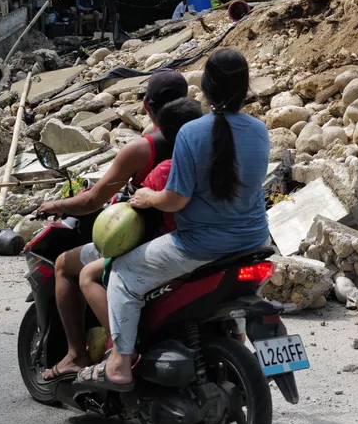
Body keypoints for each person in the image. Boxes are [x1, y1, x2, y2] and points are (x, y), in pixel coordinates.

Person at [76, 48, 270, 391]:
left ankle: (119, 362)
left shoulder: (191, 134)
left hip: (200, 246)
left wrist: (147, 198)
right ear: (246, 87)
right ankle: (234, 344)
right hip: (255, 242)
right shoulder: (259, 130)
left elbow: (176, 199)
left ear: (205, 87)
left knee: (121, 274)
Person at [34, 70, 188, 382]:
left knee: (65, 265)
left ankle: (79, 355)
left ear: (145, 105)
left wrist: (55, 205)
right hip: (197, 235)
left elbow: (92, 201)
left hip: (150, 242)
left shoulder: (143, 149)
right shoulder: (199, 140)